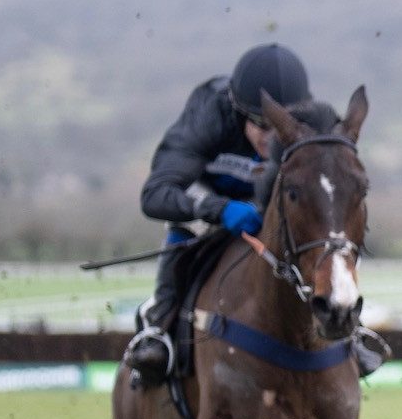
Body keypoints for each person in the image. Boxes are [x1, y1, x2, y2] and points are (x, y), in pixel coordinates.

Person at [123, 43, 386, 386]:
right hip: (206, 197)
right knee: (188, 226)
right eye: (261, 125)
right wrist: (220, 209)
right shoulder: (209, 115)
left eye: (279, 124)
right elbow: (156, 194)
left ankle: (346, 323)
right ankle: (158, 325)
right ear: (238, 111)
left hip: (268, 202)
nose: (272, 136)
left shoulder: (308, 123)